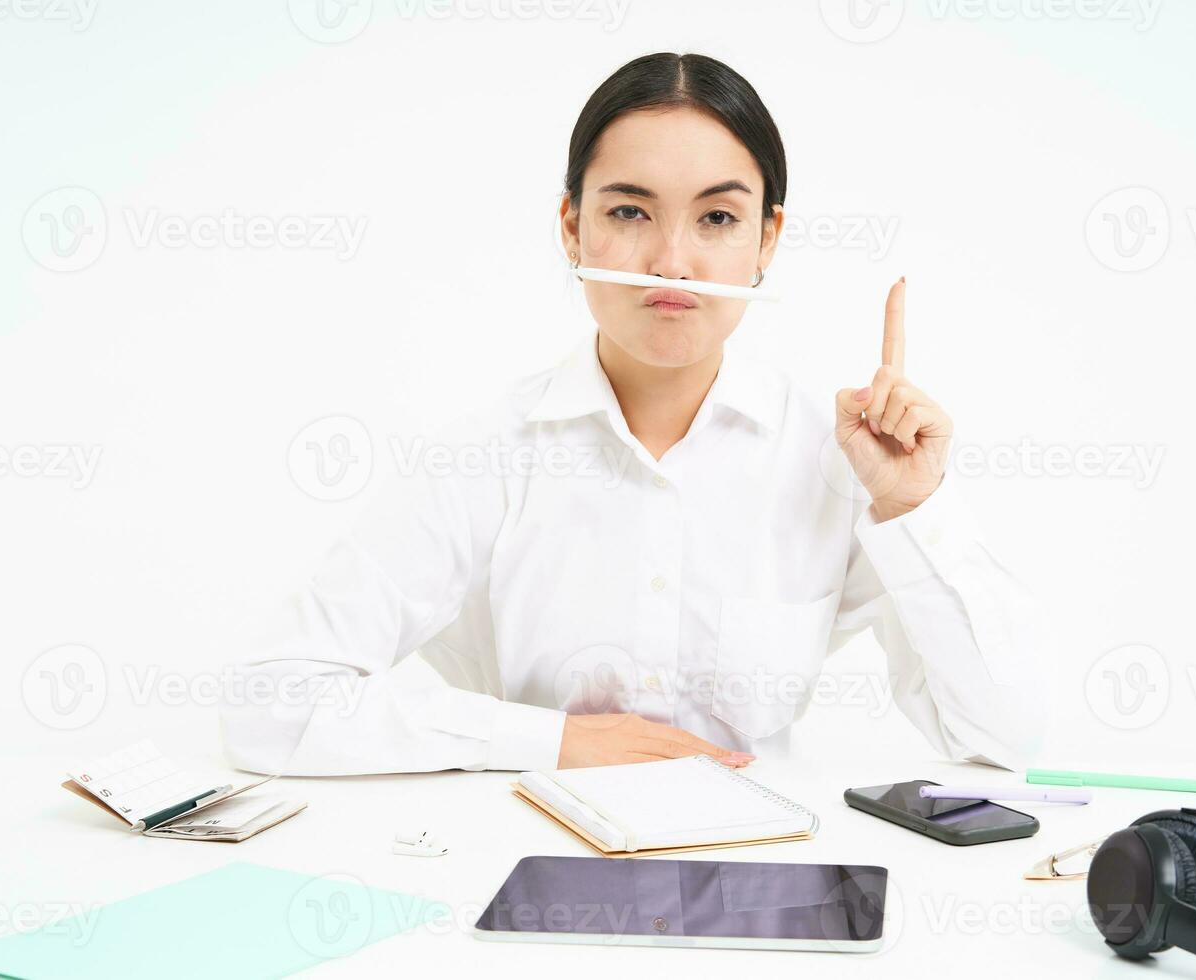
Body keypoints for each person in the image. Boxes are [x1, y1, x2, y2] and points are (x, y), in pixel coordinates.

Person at [219, 52, 1045, 777]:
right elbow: (270, 704)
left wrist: (912, 507)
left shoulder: (835, 459)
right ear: (573, 227)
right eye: (628, 212)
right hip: (527, 860)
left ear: (766, 240)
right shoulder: (487, 456)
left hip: (758, 872)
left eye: (718, 218)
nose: (672, 261)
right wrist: (550, 742)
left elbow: (1003, 738)